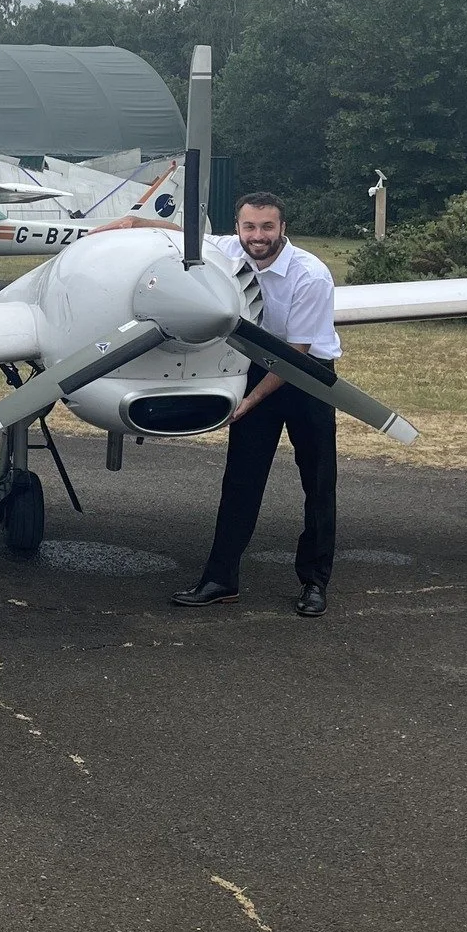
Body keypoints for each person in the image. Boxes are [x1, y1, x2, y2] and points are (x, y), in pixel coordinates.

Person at [171, 192, 340, 617]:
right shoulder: (225, 251)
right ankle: (220, 579)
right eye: (249, 227)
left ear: (283, 228)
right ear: (238, 227)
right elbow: (169, 237)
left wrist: (250, 401)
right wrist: (118, 226)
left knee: (318, 483)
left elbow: (296, 355)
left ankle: (315, 582)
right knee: (241, 480)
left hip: (306, 375)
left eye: (267, 227)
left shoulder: (311, 276)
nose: (257, 236)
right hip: (255, 369)